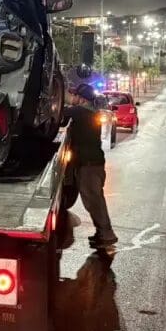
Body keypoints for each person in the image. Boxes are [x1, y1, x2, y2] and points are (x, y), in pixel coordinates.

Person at [64, 83, 119, 251]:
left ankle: (107, 234)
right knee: (95, 200)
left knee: (94, 202)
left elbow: (60, 114)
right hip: (93, 164)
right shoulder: (90, 113)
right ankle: (101, 233)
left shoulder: (80, 112)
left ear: (81, 98)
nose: (71, 98)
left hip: (89, 166)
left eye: (74, 95)